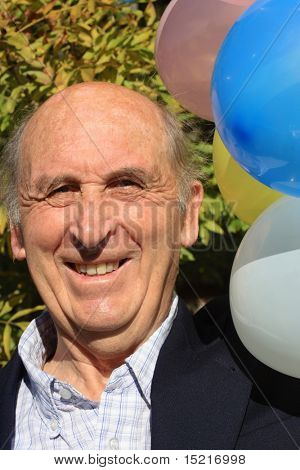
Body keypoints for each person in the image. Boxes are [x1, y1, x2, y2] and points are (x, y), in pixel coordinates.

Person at [0, 82, 300, 451]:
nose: (92, 231)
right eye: (60, 190)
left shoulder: (283, 389)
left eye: (126, 184)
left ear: (188, 216)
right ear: (17, 230)